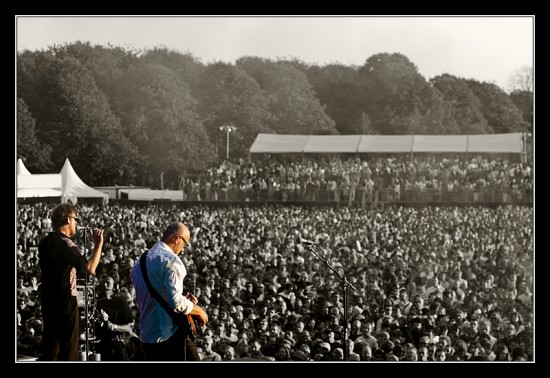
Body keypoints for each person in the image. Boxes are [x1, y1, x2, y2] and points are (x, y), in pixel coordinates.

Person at [131, 222, 208, 361]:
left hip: (147, 335)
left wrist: (185, 299)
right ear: (177, 238)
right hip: (168, 336)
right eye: (185, 244)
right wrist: (198, 310)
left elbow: (154, 296)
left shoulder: (139, 262)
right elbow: (176, 302)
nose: (183, 250)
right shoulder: (171, 261)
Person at [38, 203, 104, 361]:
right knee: (69, 350)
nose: (77, 223)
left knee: (51, 348)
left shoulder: (45, 241)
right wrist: (98, 245)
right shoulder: (66, 244)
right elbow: (90, 268)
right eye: (76, 219)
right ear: (68, 220)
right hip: (65, 300)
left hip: (48, 300)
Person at [94, 275, 135, 361]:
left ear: (114, 286)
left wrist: (113, 326)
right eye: (103, 283)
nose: (105, 285)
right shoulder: (96, 303)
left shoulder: (121, 303)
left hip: (117, 347)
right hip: (100, 347)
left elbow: (129, 327)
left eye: (108, 283)